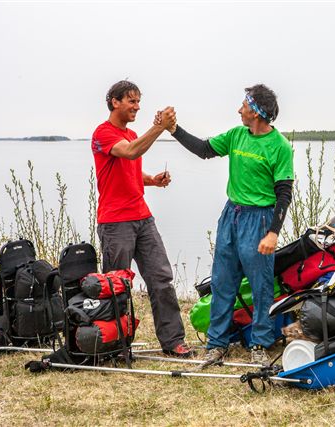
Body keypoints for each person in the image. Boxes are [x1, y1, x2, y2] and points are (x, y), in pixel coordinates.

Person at [155, 84, 294, 367]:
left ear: (256, 112)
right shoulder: (236, 135)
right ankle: (217, 345)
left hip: (260, 219)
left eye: (244, 104)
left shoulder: (279, 146)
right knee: (222, 281)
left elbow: (284, 193)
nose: (239, 109)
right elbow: (204, 150)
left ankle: (259, 343)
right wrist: (174, 130)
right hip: (231, 215)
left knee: (261, 285)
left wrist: (273, 233)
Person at [91, 80, 192, 357]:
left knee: (161, 278)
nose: (137, 107)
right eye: (131, 101)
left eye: (138, 101)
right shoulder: (103, 133)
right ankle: (114, 345)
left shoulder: (132, 133)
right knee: (116, 285)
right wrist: (160, 127)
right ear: (115, 102)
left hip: (143, 218)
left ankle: (173, 342)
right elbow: (131, 151)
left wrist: (153, 180)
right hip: (115, 223)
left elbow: (131, 171)